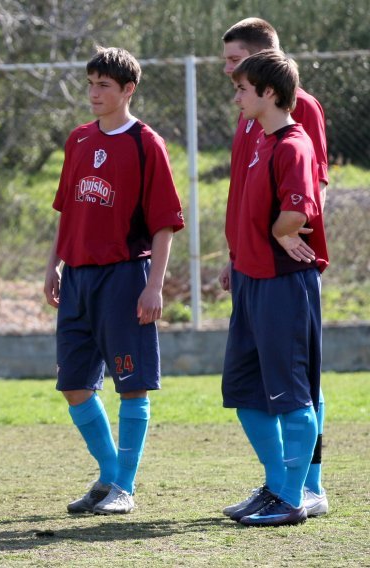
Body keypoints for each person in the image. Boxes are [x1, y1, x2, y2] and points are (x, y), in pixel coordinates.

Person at [43, 47, 185, 516]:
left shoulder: (147, 144)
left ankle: (123, 486)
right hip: (78, 279)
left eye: (104, 85)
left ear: (128, 89)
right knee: (74, 385)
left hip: (126, 277)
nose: (94, 93)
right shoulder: (78, 140)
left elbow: (164, 223)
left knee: (131, 385)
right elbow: (66, 210)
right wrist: (54, 264)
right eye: (90, 84)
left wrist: (154, 285)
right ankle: (111, 474)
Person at [219, 17, 330, 520]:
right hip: (251, 278)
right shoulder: (258, 134)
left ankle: (298, 493)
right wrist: (237, 255)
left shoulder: (293, 137)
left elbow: (301, 206)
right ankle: (277, 485)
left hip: (283, 284)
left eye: (242, 84)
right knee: (245, 393)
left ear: (267, 91)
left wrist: (284, 233)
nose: (234, 90)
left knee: (294, 395)